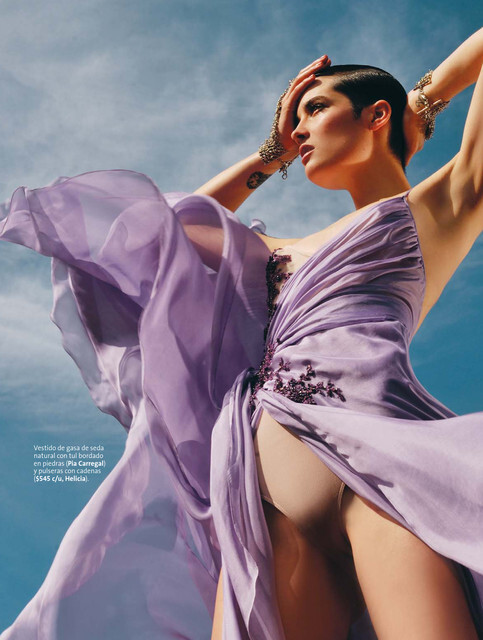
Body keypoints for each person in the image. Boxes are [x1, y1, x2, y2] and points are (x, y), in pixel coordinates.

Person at [0, 29, 482, 640]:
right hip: (264, 500)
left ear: (376, 114)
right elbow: (156, 232)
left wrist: (418, 105)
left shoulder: (433, 210)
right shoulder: (275, 252)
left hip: (384, 475)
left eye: (315, 109)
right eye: (295, 121)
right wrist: (270, 155)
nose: (299, 131)